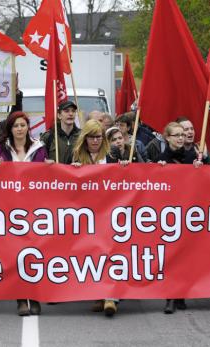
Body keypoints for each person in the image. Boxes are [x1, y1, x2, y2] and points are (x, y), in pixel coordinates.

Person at [0, 112, 47, 316]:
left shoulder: (39, 148)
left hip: (35, 209)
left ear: (27, 127)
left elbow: (44, 174)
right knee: (17, 253)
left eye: (23, 125)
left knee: (35, 252)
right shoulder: (3, 149)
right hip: (12, 208)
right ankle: (20, 298)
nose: (19, 129)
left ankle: (34, 296)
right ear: (11, 128)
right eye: (15, 125)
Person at [71, 119, 124, 317]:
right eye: (92, 137)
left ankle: (111, 296)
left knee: (111, 251)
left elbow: (129, 178)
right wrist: (71, 170)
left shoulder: (113, 154)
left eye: (98, 137)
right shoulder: (76, 155)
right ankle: (98, 294)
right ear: (85, 139)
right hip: (87, 213)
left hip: (110, 211)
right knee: (93, 254)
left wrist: (125, 166)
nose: (95, 141)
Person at [155, 122, 200, 314]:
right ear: (168, 138)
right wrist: (157, 169)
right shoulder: (161, 159)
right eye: (176, 135)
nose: (181, 138)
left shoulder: (193, 158)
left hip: (189, 212)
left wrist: (201, 168)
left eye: (183, 134)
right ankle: (170, 297)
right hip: (168, 214)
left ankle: (181, 294)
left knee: (186, 255)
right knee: (170, 255)